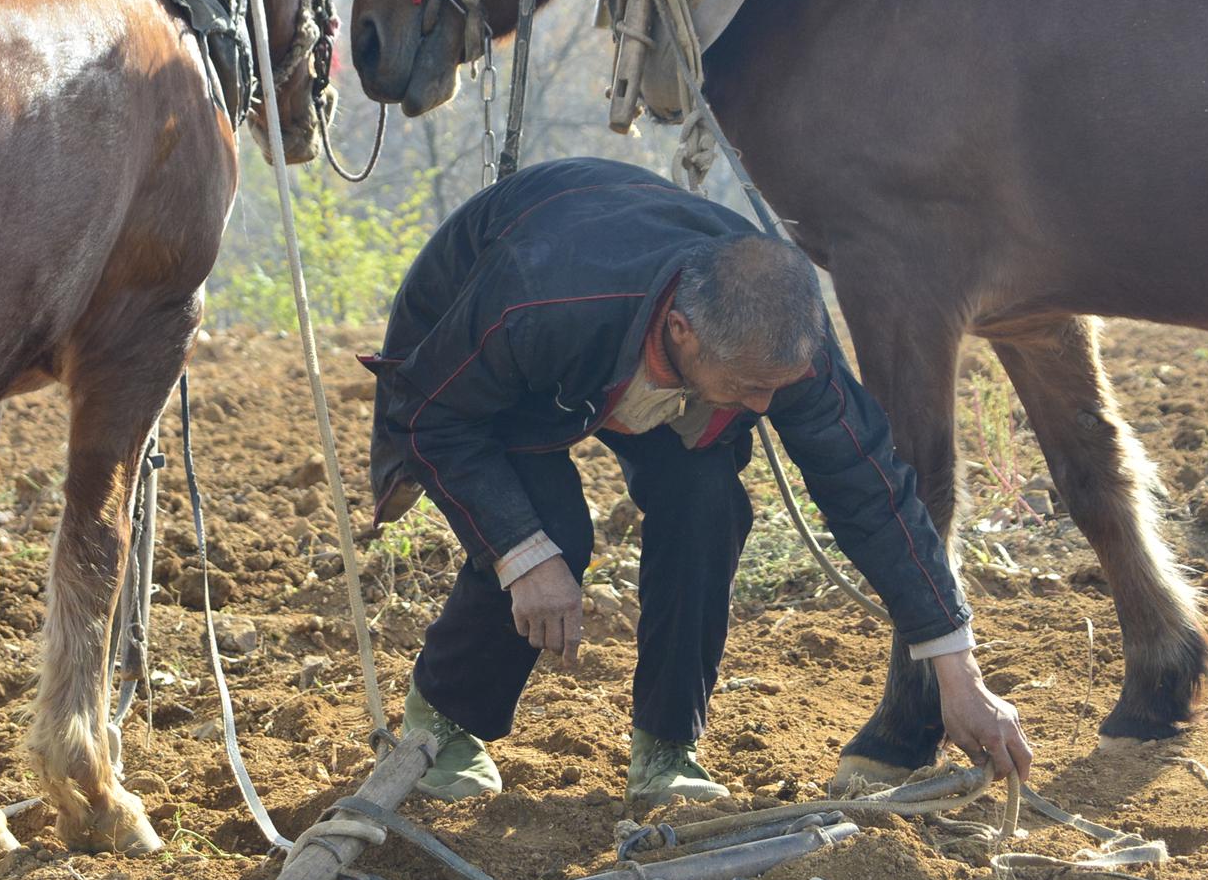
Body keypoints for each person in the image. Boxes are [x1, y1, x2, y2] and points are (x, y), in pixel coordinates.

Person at [364, 158, 1030, 804]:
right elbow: (431, 413)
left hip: (646, 335)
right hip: (486, 342)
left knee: (709, 502)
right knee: (554, 535)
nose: (766, 408)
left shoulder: (781, 339)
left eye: (776, 388)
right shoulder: (539, 304)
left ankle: (667, 748)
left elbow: (872, 488)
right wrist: (522, 553)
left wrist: (956, 670)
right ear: (682, 332)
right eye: (750, 388)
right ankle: (443, 717)